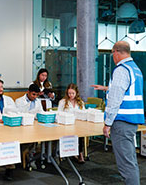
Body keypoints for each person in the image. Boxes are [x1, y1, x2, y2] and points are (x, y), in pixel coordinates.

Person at [92, 41, 144, 185]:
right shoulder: (135, 69)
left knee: (126, 165)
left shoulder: (121, 69)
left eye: (112, 53)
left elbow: (115, 99)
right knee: (130, 160)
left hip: (121, 122)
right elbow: (125, 92)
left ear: (116, 52)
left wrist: (107, 123)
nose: (112, 57)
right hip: (131, 122)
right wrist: (106, 88)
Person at [58, 83, 85, 163]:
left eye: (73, 93)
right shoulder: (63, 102)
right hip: (66, 125)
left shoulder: (80, 102)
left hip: (78, 125)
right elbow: (59, 114)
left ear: (76, 93)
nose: (71, 95)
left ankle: (80, 153)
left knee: (80, 134)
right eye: (69, 93)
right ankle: (71, 152)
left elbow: (83, 113)